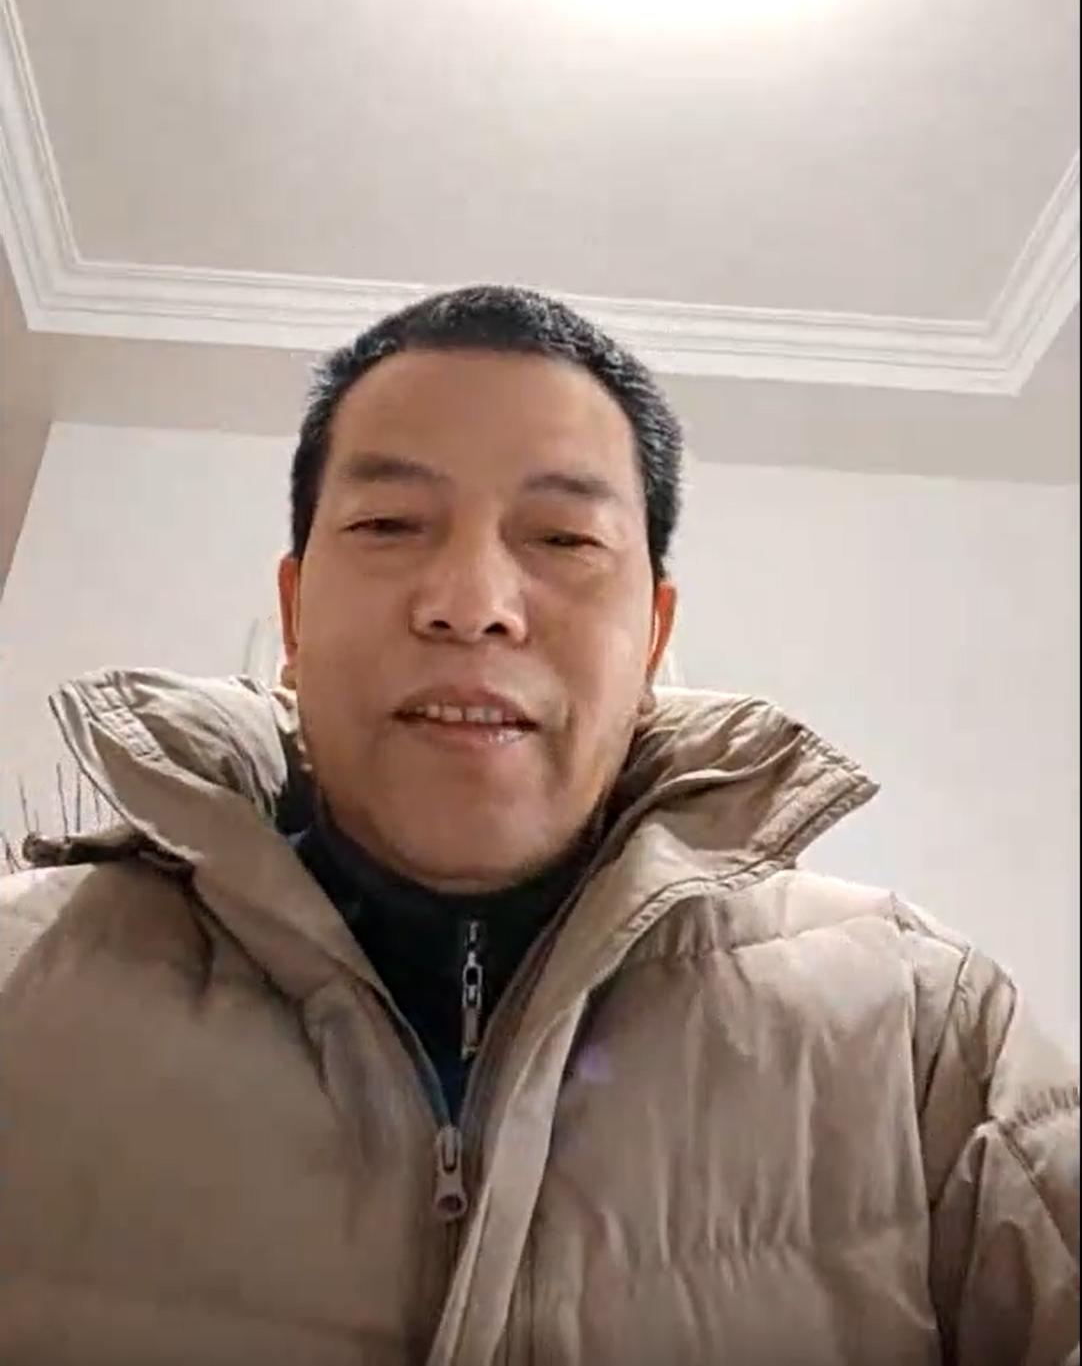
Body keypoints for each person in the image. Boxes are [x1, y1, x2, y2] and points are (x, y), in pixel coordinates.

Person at [0, 283, 1077, 1366]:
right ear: (292, 613)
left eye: (563, 536)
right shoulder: (21, 976)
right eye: (387, 524)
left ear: (651, 638)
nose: (471, 601)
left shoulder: (923, 1034)